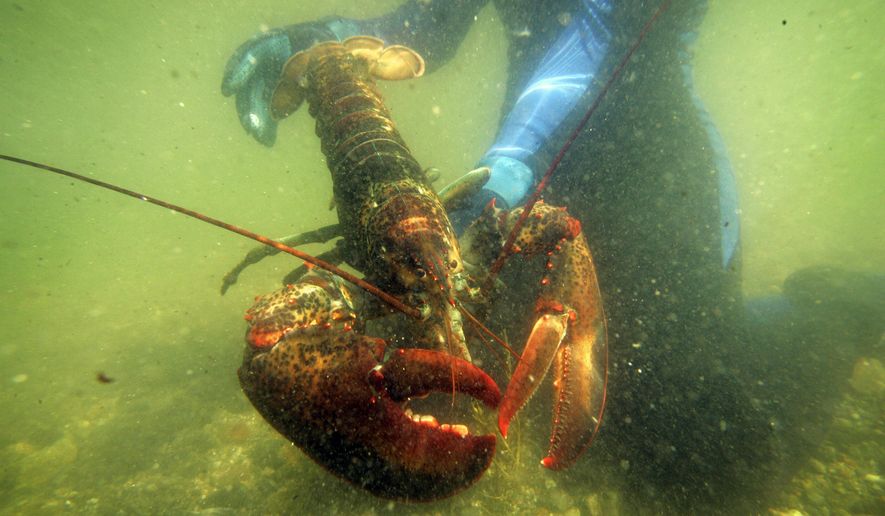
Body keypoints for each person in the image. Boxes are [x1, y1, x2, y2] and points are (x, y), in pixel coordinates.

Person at [221, 1, 883, 512]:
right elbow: (426, 24)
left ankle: (836, 311)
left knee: (694, 465)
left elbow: (599, 33)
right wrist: (315, 37)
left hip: (654, 169)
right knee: (445, 360)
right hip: (520, 178)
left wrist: (511, 160)